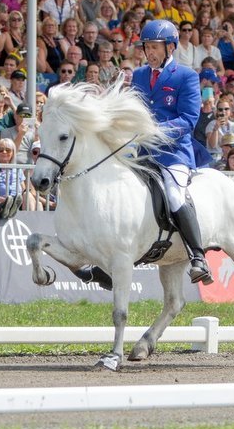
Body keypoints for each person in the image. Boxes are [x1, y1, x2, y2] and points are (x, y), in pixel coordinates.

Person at [78, 19, 212, 286]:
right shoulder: (138, 75)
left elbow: (188, 119)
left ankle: (198, 257)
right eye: (147, 47)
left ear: (170, 48)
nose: (149, 52)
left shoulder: (186, 76)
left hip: (174, 153)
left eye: (155, 47)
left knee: (174, 194)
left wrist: (154, 129)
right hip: (142, 151)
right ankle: (107, 261)